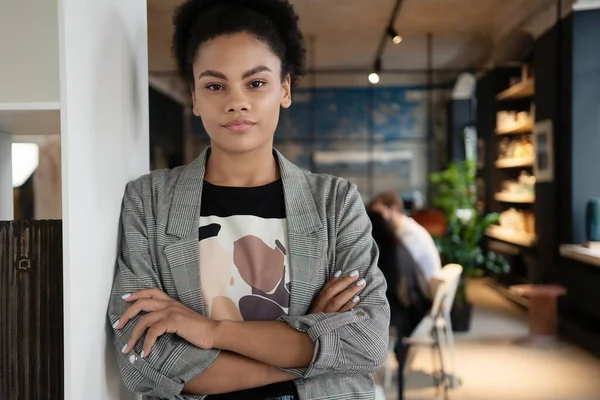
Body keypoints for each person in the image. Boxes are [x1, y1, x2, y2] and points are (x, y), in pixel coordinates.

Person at [107, 1, 390, 399]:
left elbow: (369, 341)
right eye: (215, 85)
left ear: (285, 89)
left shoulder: (335, 202)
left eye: (255, 83)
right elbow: (144, 361)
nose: (236, 101)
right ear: (194, 97)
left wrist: (210, 332)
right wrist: (313, 340)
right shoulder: (149, 201)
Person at [368, 209, 430, 400]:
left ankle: (372, 387)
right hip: (416, 311)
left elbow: (384, 296)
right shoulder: (396, 245)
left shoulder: (384, 253)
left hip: (403, 318)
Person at [371, 192, 442, 291]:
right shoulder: (406, 228)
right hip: (420, 289)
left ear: (394, 209)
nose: (377, 221)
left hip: (423, 294)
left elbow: (398, 267)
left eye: (379, 214)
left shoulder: (409, 233)